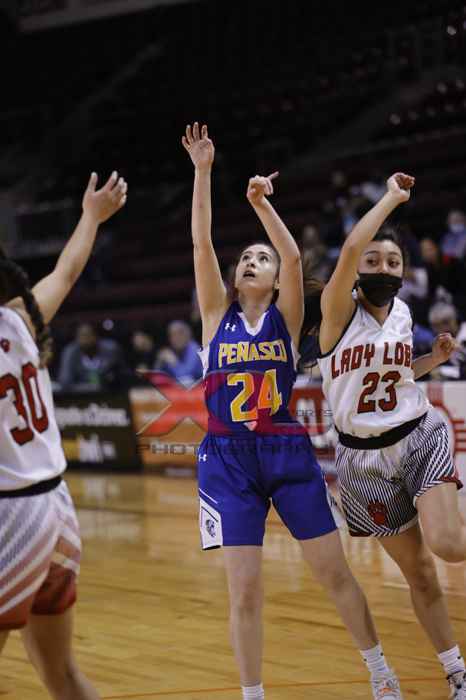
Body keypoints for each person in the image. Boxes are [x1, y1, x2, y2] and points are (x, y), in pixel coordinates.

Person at [182, 122, 403, 700]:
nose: (251, 261)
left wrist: (261, 205)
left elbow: (291, 252)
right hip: (226, 460)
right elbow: (201, 244)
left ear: (277, 279)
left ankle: (381, 672)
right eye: (245, 258)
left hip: (284, 450)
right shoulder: (215, 316)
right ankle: (252, 694)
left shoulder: (286, 315)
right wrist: (203, 172)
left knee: (334, 573)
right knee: (244, 592)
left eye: (261, 258)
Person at [316, 172, 466, 699]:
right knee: (419, 573)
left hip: (418, 434)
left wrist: (431, 360)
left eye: (394, 262)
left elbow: (397, 378)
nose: (383, 268)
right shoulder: (337, 312)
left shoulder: (402, 311)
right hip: (361, 464)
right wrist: (392, 199)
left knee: (448, 545)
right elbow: (350, 248)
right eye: (374, 261)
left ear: (404, 273)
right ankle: (456, 672)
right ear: (357, 270)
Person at [0, 170, 127, 699]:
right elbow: (67, 271)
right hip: (56, 513)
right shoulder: (19, 319)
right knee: (62, 676)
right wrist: (91, 216)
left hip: (10, 520)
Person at [58, 322, 127, 392]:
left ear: (96, 336)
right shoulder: (70, 352)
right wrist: (89, 387)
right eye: (81, 336)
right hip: (79, 395)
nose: (84, 340)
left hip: (109, 393)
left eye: (87, 336)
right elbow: (65, 382)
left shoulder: (111, 350)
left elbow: (123, 376)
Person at [155, 319, 202, 385]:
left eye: (180, 333)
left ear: (188, 334)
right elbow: (157, 379)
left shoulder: (194, 348)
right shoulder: (171, 351)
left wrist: (174, 363)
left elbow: (186, 377)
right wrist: (159, 362)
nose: (176, 338)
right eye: (172, 335)